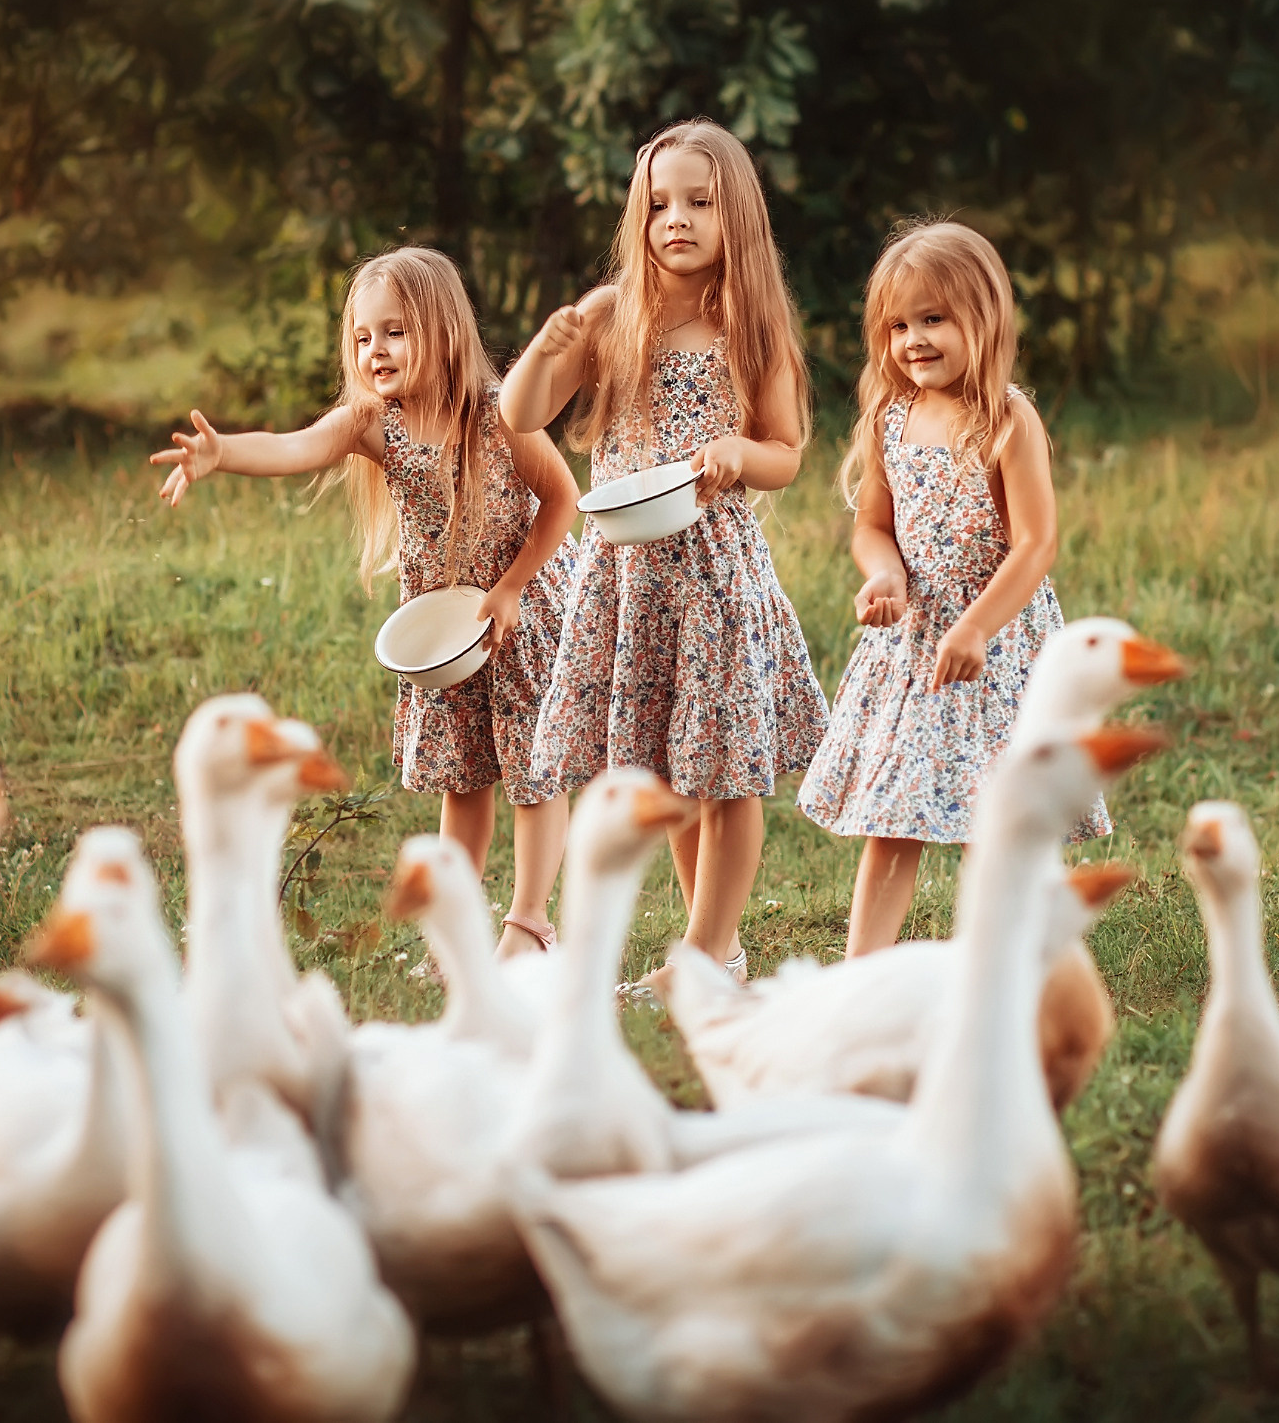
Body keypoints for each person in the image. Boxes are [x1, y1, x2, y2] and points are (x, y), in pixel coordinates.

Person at [152, 246, 577, 958]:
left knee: (533, 773)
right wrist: (223, 453)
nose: (374, 350)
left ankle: (530, 924)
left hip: (518, 612)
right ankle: (460, 923)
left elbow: (562, 498)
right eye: (361, 336)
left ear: (441, 329)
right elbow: (296, 447)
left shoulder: (499, 415)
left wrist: (511, 589)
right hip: (445, 631)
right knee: (463, 775)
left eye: (394, 331)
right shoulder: (374, 422)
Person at [502, 120, 828, 993]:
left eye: (697, 201)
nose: (674, 219)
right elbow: (520, 411)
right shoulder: (613, 316)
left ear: (737, 217)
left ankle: (710, 950)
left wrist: (737, 454)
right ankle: (706, 949)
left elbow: (786, 451)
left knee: (724, 770)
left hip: (715, 579)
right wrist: (550, 343)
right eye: (657, 205)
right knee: (674, 764)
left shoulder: (749, 327)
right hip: (627, 577)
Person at [796, 220, 1105, 956]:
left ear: (984, 317)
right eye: (899, 325)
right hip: (914, 649)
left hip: (995, 647)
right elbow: (873, 526)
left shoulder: (1008, 420)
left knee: (994, 816)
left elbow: (1036, 543)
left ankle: (1006, 965)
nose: (914, 340)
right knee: (892, 818)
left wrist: (977, 626)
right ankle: (861, 973)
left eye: (934, 319)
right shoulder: (889, 420)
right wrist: (884, 577)